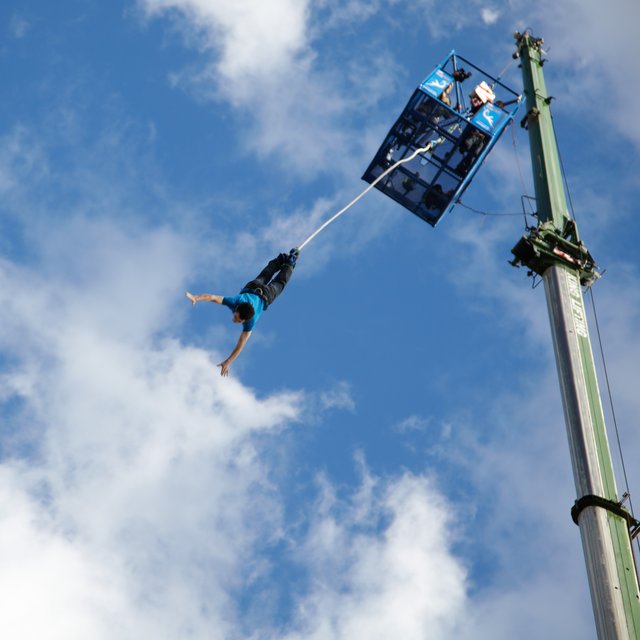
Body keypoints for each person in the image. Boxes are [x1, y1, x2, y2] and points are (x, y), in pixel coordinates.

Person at [186, 250, 298, 376]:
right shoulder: (235, 301)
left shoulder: (251, 320)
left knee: (274, 279)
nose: (235, 320)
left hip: (260, 292)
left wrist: (228, 361)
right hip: (262, 293)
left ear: (245, 321)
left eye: (238, 320)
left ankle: (287, 263)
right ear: (237, 308)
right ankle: (285, 262)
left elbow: (241, 344)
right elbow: (212, 297)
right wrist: (196, 298)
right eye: (236, 317)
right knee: (273, 280)